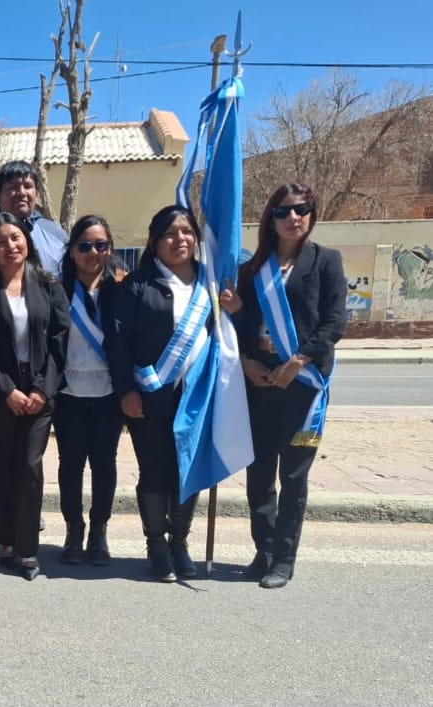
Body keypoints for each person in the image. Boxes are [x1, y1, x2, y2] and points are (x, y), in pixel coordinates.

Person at [235, 183, 345, 589]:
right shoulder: (253, 268)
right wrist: (246, 360)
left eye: (300, 209)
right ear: (271, 218)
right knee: (259, 472)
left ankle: (284, 559)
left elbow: (335, 322)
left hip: (302, 382)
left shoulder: (326, 261)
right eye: (282, 211)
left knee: (294, 476)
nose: (292, 217)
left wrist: (298, 360)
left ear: (312, 214)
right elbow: (242, 323)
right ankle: (263, 552)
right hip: (260, 379)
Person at [107, 204, 209, 583]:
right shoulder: (136, 285)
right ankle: (156, 545)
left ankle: (179, 542)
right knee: (154, 472)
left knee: (187, 472)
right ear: (154, 241)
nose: (178, 239)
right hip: (149, 399)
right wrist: (126, 391)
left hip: (197, 398)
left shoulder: (210, 283)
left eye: (185, 232)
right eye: (169, 233)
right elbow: (118, 345)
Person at [0, 212, 69, 580]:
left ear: (26, 242)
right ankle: (6, 542)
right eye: (1, 242)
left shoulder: (48, 284)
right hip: (0, 392)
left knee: (29, 466)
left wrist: (42, 389)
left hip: (40, 390)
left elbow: (60, 341)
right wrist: (6, 389)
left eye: (15, 238)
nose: (10, 246)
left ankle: (28, 551)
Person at [54, 215, 122, 566]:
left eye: (100, 245)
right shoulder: (57, 291)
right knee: (70, 466)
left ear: (109, 249)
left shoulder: (120, 291)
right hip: (68, 395)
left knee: (104, 465)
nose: (92, 252)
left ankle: (99, 532)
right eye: (84, 245)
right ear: (71, 251)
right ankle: (73, 530)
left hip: (108, 395)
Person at [0, 160, 69, 282]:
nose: (22, 193)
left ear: (36, 194)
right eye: (13, 187)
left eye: (27, 186)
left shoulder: (56, 235)